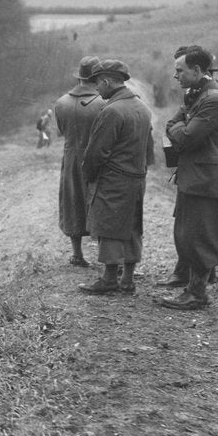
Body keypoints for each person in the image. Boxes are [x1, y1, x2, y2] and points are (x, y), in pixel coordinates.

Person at [156, 47, 218, 310]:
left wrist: (177, 127)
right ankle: (192, 289)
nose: (176, 75)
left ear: (197, 71)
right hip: (196, 177)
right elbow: (175, 125)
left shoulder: (214, 100)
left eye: (180, 70)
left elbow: (186, 138)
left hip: (207, 180)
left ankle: (197, 294)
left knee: (201, 236)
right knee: (188, 234)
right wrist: (178, 126)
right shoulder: (197, 95)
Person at [77, 59, 153, 295]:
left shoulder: (111, 111)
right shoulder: (142, 108)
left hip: (113, 179)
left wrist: (89, 175)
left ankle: (109, 279)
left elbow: (96, 152)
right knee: (132, 226)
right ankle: (127, 280)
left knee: (109, 226)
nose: (97, 90)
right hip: (137, 178)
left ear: (107, 81)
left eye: (98, 84)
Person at [53, 56, 105, 267]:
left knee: (72, 199)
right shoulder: (103, 103)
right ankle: (105, 255)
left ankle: (77, 253)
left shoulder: (61, 102)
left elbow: (61, 131)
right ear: (97, 77)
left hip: (71, 156)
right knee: (99, 201)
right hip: (97, 158)